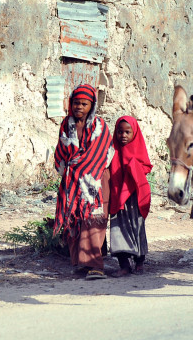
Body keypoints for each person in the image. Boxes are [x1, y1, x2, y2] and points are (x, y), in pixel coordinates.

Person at [53, 84, 113, 280]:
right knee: (75, 221)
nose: (79, 107)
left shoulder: (100, 126)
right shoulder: (66, 124)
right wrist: (68, 170)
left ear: (92, 105)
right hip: (72, 183)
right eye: (76, 103)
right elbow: (61, 152)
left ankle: (96, 266)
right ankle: (81, 263)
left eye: (84, 104)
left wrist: (77, 167)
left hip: (95, 182)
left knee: (93, 222)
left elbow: (101, 154)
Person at [108, 116, 153, 277]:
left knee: (137, 227)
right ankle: (124, 265)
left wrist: (134, 167)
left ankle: (139, 262)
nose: (123, 135)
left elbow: (146, 166)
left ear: (134, 133)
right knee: (117, 228)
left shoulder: (138, 148)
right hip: (117, 193)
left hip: (134, 196)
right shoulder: (113, 150)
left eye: (127, 132)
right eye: (120, 132)